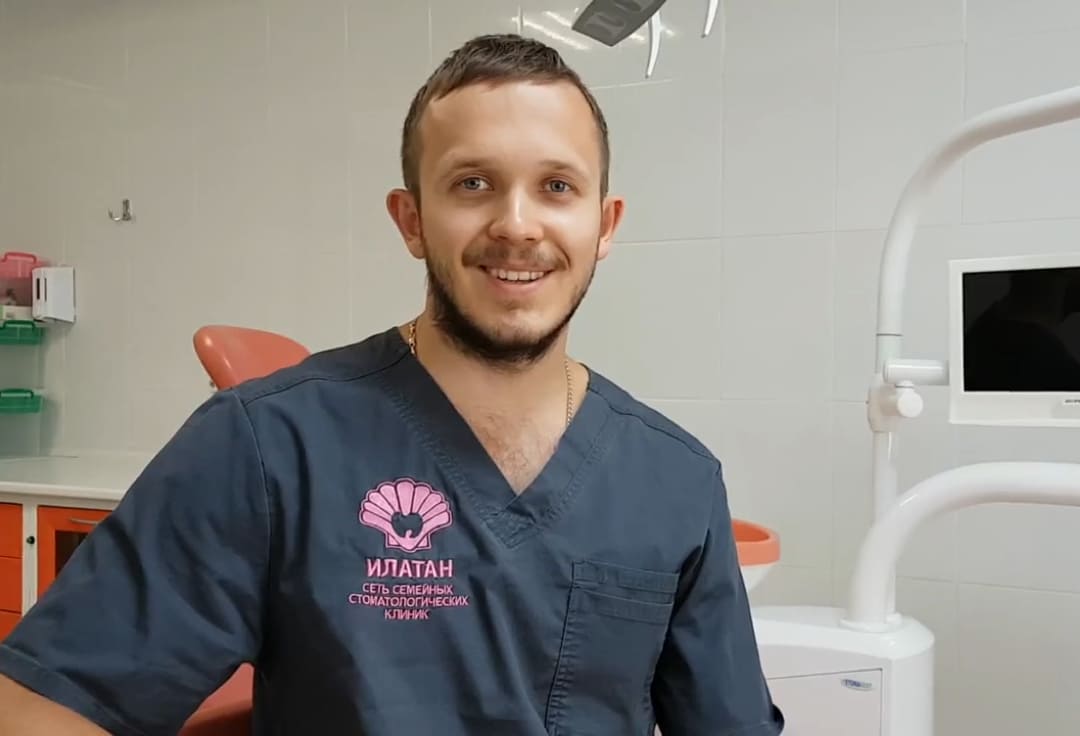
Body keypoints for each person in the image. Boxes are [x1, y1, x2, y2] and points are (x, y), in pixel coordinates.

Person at [0, 33, 784, 735]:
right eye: (472, 183)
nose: (517, 224)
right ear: (411, 221)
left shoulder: (675, 481)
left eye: (556, 186)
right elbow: (42, 710)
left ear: (604, 225)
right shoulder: (267, 447)